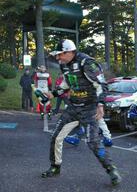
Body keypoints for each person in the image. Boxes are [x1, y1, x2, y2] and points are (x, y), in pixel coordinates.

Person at [43, 39, 121, 186]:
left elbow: (101, 85)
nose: (58, 58)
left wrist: (100, 104)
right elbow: (67, 84)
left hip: (89, 109)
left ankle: (112, 170)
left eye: (60, 55)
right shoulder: (64, 65)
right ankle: (55, 167)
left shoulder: (87, 63)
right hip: (73, 107)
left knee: (93, 142)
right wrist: (53, 94)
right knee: (56, 137)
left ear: (69, 51)